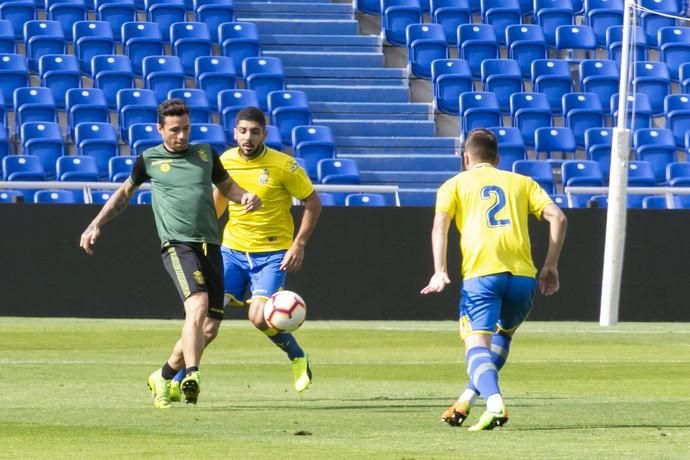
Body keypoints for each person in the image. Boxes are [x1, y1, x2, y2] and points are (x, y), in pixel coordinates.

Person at [79, 99, 261, 409]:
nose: (181, 136)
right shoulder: (149, 160)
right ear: (160, 129)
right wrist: (95, 223)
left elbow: (227, 186)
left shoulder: (205, 154)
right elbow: (123, 195)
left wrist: (245, 196)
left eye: (186, 129)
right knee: (198, 304)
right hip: (178, 245)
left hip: (211, 245)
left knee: (209, 328)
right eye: (175, 130)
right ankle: (191, 375)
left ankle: (162, 376)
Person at [421, 128, 567, 431]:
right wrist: (550, 265)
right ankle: (466, 400)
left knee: (476, 346)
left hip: (482, 275)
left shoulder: (454, 185)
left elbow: (440, 226)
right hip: (524, 278)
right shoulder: (522, 182)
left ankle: (495, 403)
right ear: (497, 159)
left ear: (465, 158)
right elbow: (559, 217)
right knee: (502, 337)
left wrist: (440, 270)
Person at [169, 106, 321, 397]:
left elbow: (313, 203)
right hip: (231, 252)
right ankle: (177, 378)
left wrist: (298, 243)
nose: (248, 137)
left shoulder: (284, 166)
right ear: (234, 132)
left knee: (259, 317)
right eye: (243, 131)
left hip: (272, 253)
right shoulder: (225, 161)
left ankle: (298, 357)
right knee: (205, 323)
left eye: (254, 131)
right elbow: (219, 203)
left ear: (264, 134)